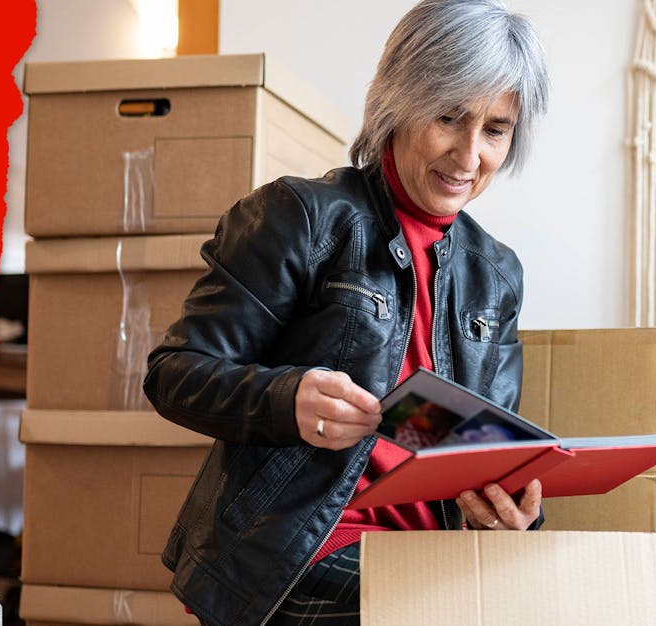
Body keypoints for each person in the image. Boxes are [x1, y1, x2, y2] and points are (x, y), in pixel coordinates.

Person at [142, 1, 550, 624]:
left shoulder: (495, 275)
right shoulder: (302, 218)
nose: (470, 156)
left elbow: (478, 443)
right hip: (298, 557)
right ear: (397, 100)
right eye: (449, 116)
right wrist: (287, 398)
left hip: (432, 559)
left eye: (495, 130)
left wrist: (514, 508)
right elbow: (173, 373)